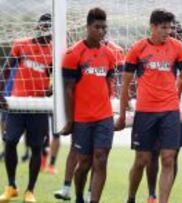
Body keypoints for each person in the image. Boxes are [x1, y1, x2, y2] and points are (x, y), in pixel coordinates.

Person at [116, 8, 182, 203]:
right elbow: (126, 84)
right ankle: (131, 197)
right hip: (145, 112)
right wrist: (122, 114)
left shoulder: (178, 48)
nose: (167, 32)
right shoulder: (137, 49)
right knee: (142, 160)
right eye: (163, 27)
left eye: (169, 28)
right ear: (152, 27)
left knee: (169, 158)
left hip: (170, 111)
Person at [60, 7, 116, 203]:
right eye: (97, 27)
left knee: (100, 159)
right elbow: (67, 90)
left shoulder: (110, 55)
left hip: (104, 117)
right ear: (87, 27)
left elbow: (108, 84)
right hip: (82, 119)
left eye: (104, 28)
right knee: (84, 163)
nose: (101, 31)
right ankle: (78, 196)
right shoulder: (73, 54)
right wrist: (70, 121)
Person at [0, 13, 52, 203]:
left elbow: (55, 78)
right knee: (10, 141)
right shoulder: (21, 44)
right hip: (17, 104)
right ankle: (11, 186)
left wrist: (51, 91)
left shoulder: (55, 50)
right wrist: (0, 92)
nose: (47, 33)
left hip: (39, 106)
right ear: (38, 27)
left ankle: (30, 191)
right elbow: (6, 69)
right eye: (44, 28)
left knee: (36, 147)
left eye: (50, 30)